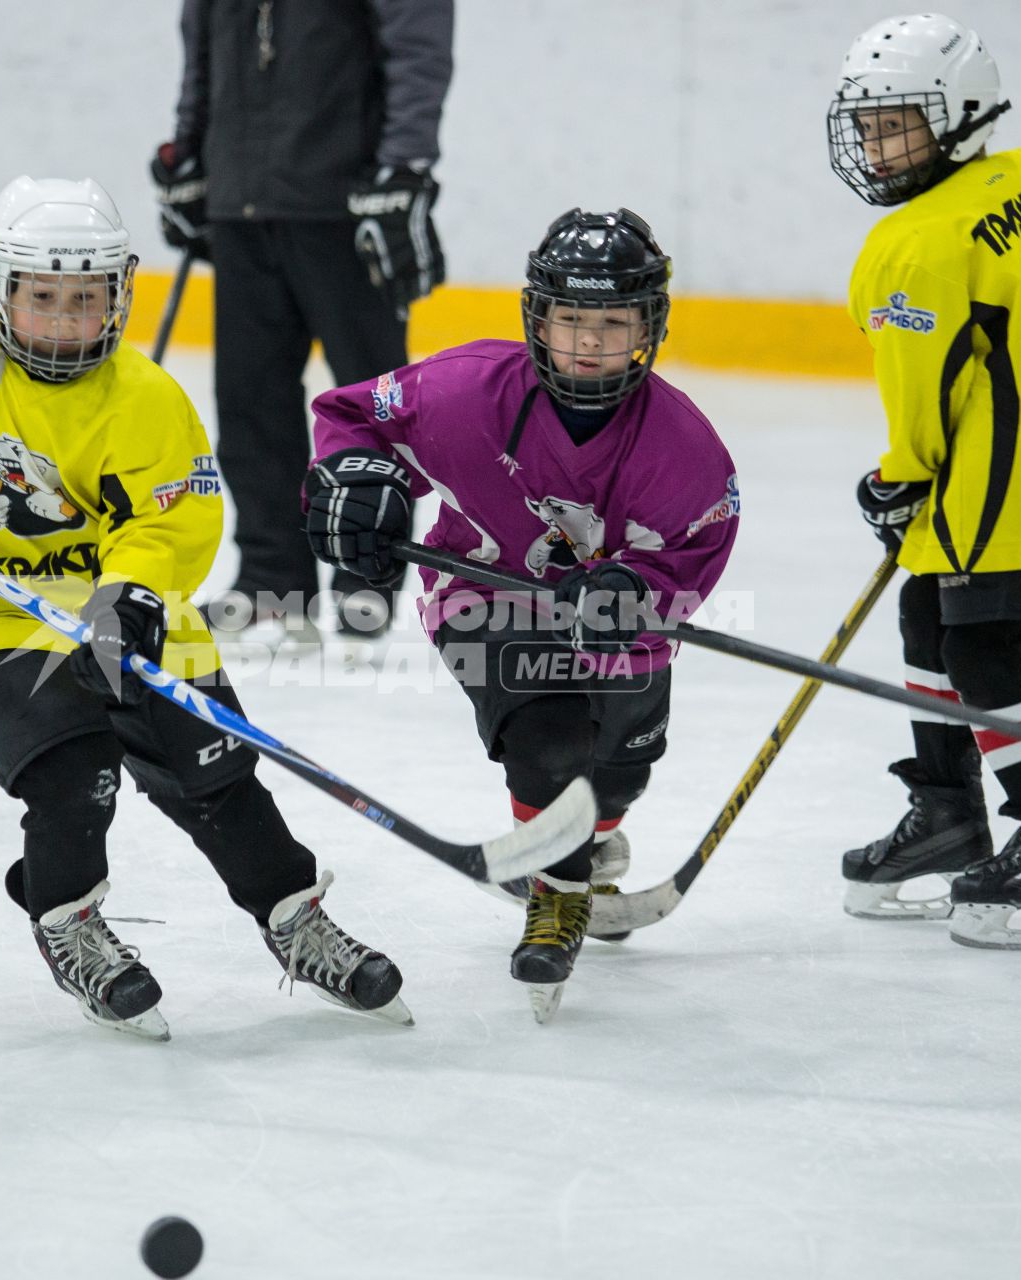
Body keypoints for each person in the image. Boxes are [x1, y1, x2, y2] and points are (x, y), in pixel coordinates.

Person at [0, 176, 408, 1041]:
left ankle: (295, 917)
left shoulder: (144, 396)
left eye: (88, 298)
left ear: (121, 293)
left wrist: (136, 589)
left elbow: (173, 516)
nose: (68, 320)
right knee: (78, 779)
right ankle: (67, 922)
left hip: (129, 607)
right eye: (44, 298)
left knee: (218, 776)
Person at [303, 208, 739, 1019]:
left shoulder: (684, 451)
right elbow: (354, 417)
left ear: (649, 326)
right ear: (536, 317)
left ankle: (584, 834)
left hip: (616, 622)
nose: (587, 343)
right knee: (548, 743)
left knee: (623, 766)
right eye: (570, 319)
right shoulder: (464, 390)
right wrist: (362, 483)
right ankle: (557, 895)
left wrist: (636, 591)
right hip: (483, 589)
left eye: (612, 323)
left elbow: (694, 545)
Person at [826, 14, 1021, 950]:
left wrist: (896, 482)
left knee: (984, 654)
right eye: (872, 125)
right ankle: (948, 814)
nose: (879, 145)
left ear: (960, 114)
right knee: (927, 618)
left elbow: (916, 405)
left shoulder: (911, 246)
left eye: (900, 124)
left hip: (995, 487)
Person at [151, 0, 453, 646]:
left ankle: (366, 571)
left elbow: (418, 48)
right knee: (247, 398)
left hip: (348, 198)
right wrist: (190, 153)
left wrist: (404, 166)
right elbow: (199, 49)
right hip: (241, 199)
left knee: (376, 401)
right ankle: (270, 578)